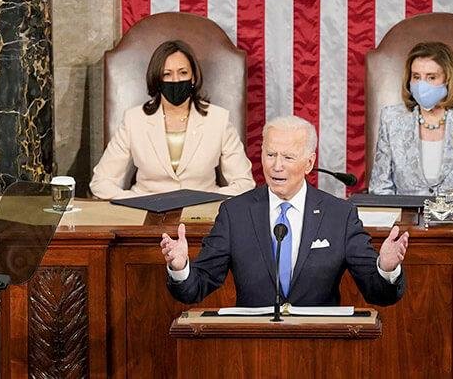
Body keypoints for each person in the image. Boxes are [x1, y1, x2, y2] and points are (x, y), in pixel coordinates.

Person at [161, 116, 409, 307]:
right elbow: (196, 287)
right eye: (270, 154)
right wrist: (180, 267)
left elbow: (378, 293)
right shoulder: (235, 213)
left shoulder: (339, 215)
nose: (276, 166)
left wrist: (387, 268)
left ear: (309, 163)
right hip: (252, 345)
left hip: (320, 344)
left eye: (288, 157)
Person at [91, 40, 255, 199]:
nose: (176, 80)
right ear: (157, 79)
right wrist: (135, 201)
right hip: (146, 210)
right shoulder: (134, 120)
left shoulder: (219, 119)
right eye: (167, 74)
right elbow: (101, 182)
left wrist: (209, 201)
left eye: (183, 73)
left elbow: (244, 183)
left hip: (202, 211)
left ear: (193, 77)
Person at [369, 41, 453, 195]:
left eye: (431, 77)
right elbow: (380, 188)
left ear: (448, 79)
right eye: (416, 77)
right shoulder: (391, 119)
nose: (422, 85)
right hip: (404, 210)